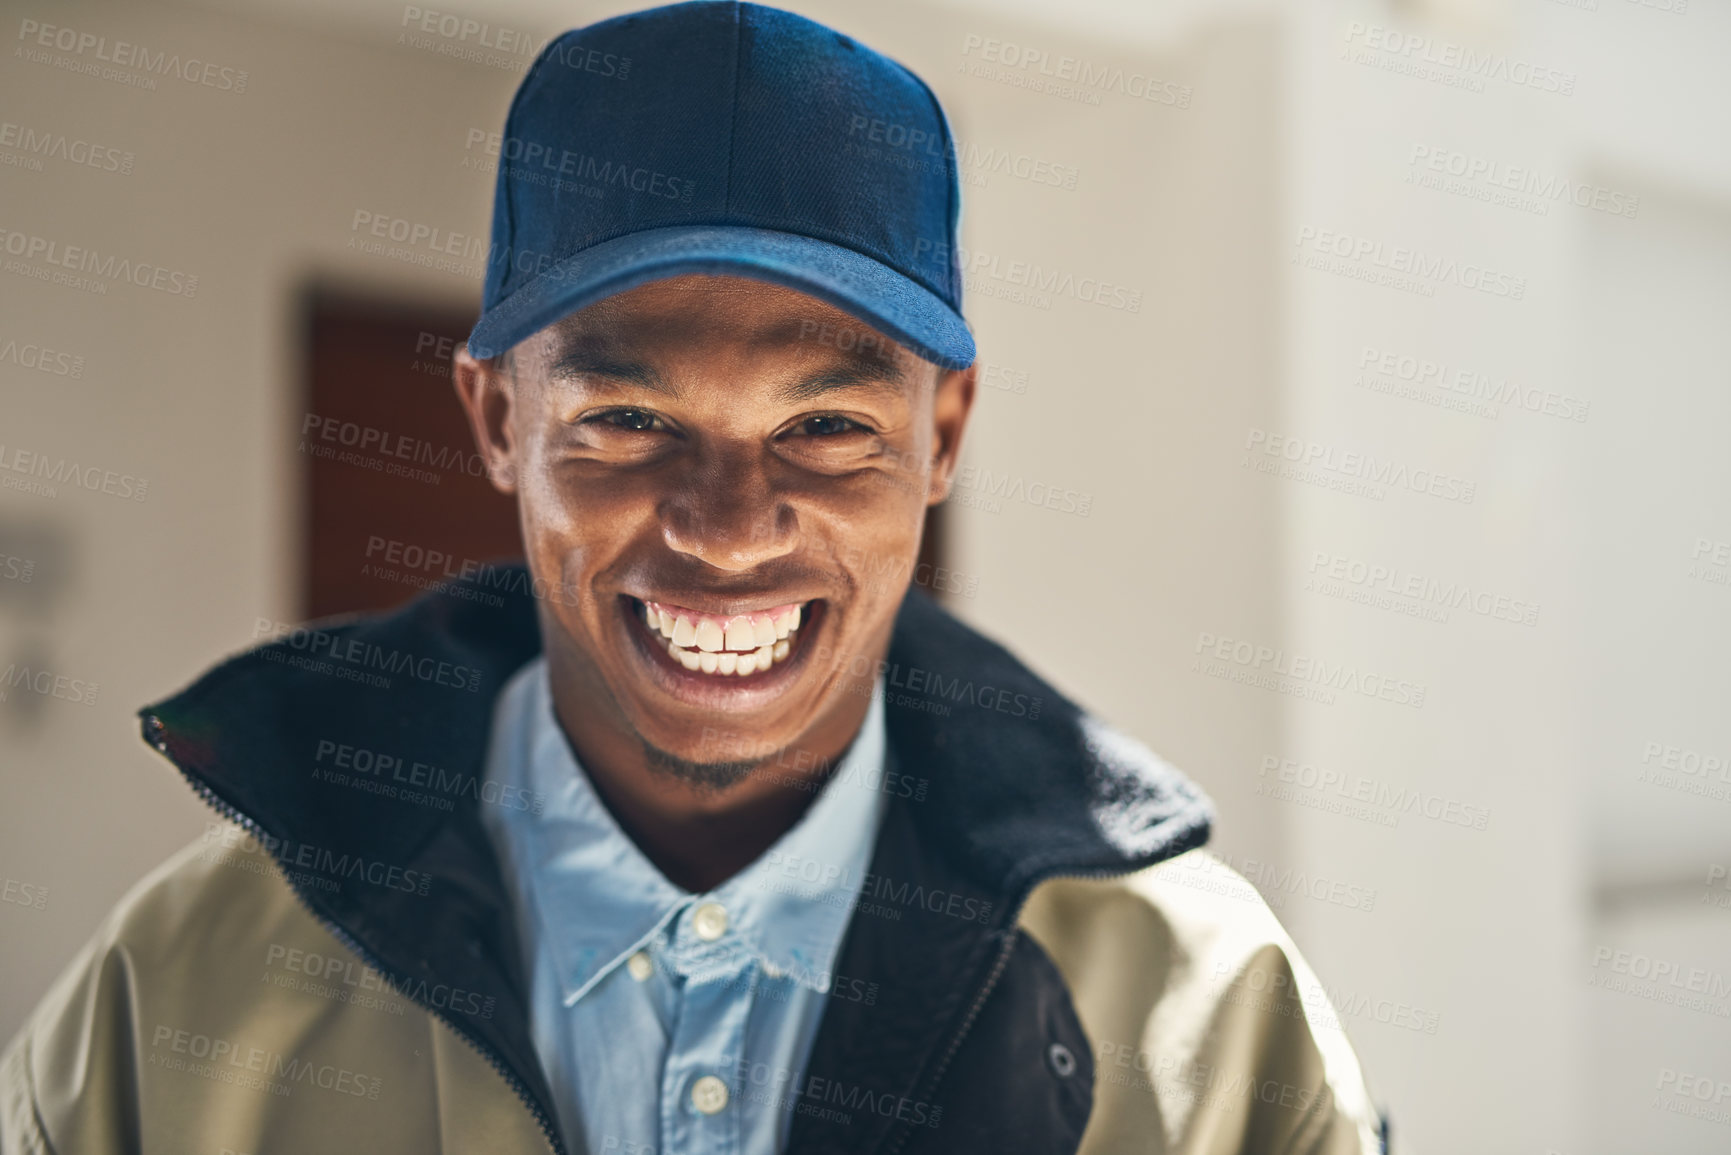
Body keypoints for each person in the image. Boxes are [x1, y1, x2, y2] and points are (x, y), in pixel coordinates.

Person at [1, 3, 1390, 1152]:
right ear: (496, 420)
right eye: (629, 421)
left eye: (827, 426)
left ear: (941, 434)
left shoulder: (1209, 1024)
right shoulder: (175, 1005)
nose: (727, 531)